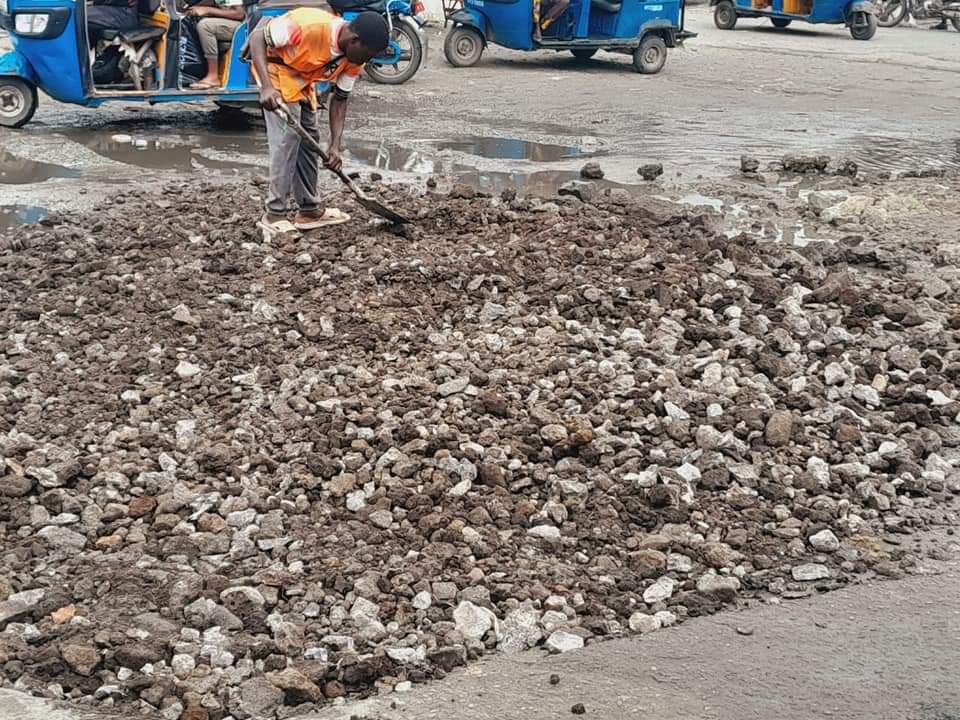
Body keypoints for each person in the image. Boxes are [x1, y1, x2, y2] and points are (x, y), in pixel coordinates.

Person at [248, 9, 389, 232]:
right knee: (287, 138)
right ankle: (274, 215)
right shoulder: (308, 27)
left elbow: (340, 99)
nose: (367, 61)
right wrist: (266, 87)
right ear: (354, 40)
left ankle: (309, 210)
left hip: (302, 80)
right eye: (367, 54)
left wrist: (335, 146)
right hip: (274, 71)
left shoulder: (354, 60)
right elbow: (257, 37)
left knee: (310, 138)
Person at [185, 0, 246, 89]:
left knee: (206, 26)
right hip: (228, 20)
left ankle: (213, 76)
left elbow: (239, 13)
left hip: (243, 25)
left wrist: (207, 10)